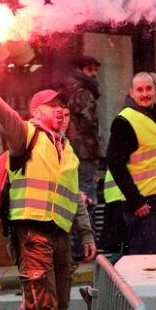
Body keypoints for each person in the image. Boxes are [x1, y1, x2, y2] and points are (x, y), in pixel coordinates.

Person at [0, 65, 96, 310]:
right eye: (52, 105)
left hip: (61, 236)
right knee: (45, 306)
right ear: (35, 111)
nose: (59, 109)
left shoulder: (67, 149)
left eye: (62, 105)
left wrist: (87, 233)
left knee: (57, 304)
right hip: (32, 233)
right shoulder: (26, 134)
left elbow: (74, 196)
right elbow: (6, 115)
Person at [105, 71, 156, 255]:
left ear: (155, 90)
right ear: (131, 92)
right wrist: (136, 201)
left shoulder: (155, 114)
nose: (145, 94)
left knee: (149, 258)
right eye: (140, 90)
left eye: (149, 89)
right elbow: (115, 163)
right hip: (143, 206)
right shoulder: (126, 120)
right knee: (142, 260)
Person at [62, 55, 102, 208]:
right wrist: (95, 152)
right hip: (84, 152)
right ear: (79, 70)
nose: (94, 74)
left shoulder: (72, 90)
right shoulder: (83, 91)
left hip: (76, 151)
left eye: (95, 70)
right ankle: (85, 232)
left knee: (78, 196)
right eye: (90, 70)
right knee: (86, 199)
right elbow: (89, 123)